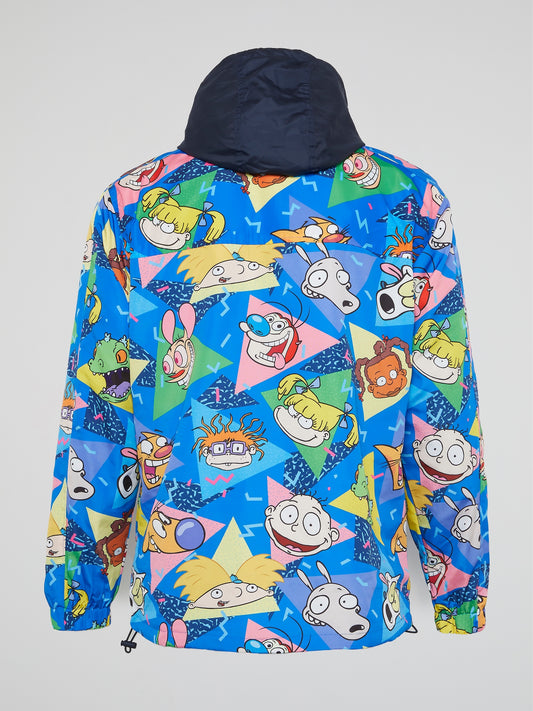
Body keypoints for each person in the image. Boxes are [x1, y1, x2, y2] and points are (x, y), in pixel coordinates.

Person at [44, 47, 488, 652]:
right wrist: (460, 595)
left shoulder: (135, 199)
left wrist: (79, 593)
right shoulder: (407, 198)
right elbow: (444, 408)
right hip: (360, 594)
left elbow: (98, 406)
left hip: (175, 603)